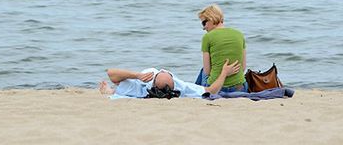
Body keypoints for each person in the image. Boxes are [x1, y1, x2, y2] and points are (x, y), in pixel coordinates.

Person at [99, 59, 240, 98]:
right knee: (120, 87)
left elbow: (111, 74)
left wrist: (136, 76)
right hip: (145, 79)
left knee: (118, 90)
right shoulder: (181, 86)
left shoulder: (178, 86)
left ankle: (110, 91)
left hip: (143, 83)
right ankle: (111, 91)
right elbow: (212, 90)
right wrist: (224, 73)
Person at [197, 4, 247, 92]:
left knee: (203, 71)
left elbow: (207, 71)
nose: (203, 28)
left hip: (216, 87)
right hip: (239, 88)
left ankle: (196, 93)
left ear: (211, 19)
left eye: (204, 23)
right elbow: (243, 68)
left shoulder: (207, 37)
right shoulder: (239, 34)